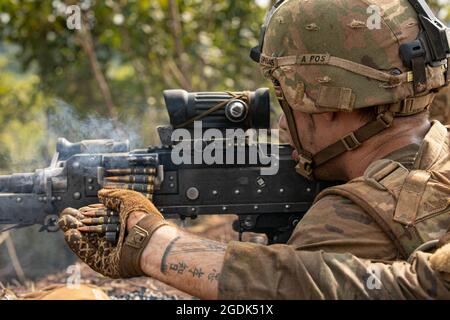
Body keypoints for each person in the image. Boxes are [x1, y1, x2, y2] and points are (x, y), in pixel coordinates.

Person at [58, 0, 450, 299]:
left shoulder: (347, 222)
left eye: (288, 100)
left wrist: (158, 248)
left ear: (326, 104)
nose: (282, 123)